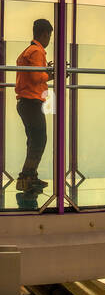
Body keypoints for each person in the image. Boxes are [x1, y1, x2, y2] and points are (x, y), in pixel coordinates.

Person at [14, 19, 52, 192]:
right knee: (39, 140)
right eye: (49, 36)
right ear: (44, 34)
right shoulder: (37, 51)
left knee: (34, 140)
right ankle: (26, 178)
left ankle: (30, 177)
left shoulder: (27, 51)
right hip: (31, 102)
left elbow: (33, 76)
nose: (49, 39)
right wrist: (51, 73)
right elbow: (37, 77)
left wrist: (46, 72)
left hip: (26, 103)